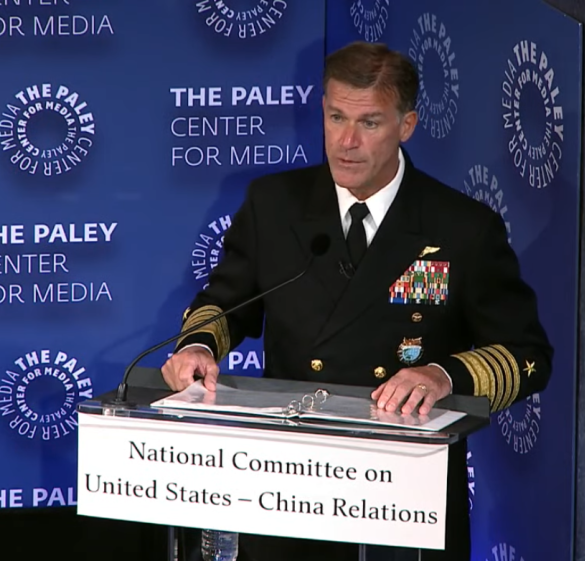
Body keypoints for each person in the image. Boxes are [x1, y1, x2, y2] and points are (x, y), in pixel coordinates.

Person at [161, 41, 553, 561]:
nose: (347, 142)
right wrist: (197, 347)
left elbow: (527, 356)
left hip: (404, 498)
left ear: (406, 125)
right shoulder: (274, 205)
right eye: (336, 118)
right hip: (288, 488)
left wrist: (444, 376)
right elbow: (225, 304)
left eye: (369, 123)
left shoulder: (463, 228)